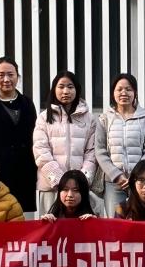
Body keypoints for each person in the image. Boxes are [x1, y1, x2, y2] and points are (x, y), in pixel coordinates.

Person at [0, 57, 38, 214]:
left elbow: (36, 137)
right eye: (1, 75)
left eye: (11, 74)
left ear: (18, 77)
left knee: (24, 216)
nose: (6, 79)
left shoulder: (27, 103)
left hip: (26, 171)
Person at [32, 70, 99, 214]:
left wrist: (81, 181)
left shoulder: (90, 119)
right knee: (51, 225)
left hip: (79, 189)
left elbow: (92, 152)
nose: (65, 91)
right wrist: (60, 181)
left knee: (80, 226)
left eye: (70, 87)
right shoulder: (44, 117)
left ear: (77, 89)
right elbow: (41, 152)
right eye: (61, 86)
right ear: (54, 89)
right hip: (50, 186)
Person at [97, 73, 145, 216]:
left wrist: (136, 175)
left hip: (140, 182)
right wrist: (117, 175)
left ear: (135, 92)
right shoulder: (104, 119)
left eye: (128, 89)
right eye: (119, 89)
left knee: (140, 222)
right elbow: (100, 151)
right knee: (116, 222)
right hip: (114, 183)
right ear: (113, 93)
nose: (124, 93)